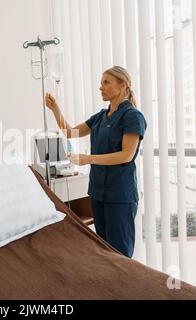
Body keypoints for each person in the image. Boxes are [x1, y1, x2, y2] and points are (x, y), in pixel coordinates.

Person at [45, 66, 147, 258]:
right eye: (101, 83)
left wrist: (88, 159)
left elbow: (126, 155)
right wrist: (55, 109)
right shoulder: (100, 116)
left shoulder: (133, 116)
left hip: (119, 195)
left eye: (106, 82)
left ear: (123, 85)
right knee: (104, 252)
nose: (101, 87)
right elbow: (70, 133)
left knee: (120, 254)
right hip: (98, 192)